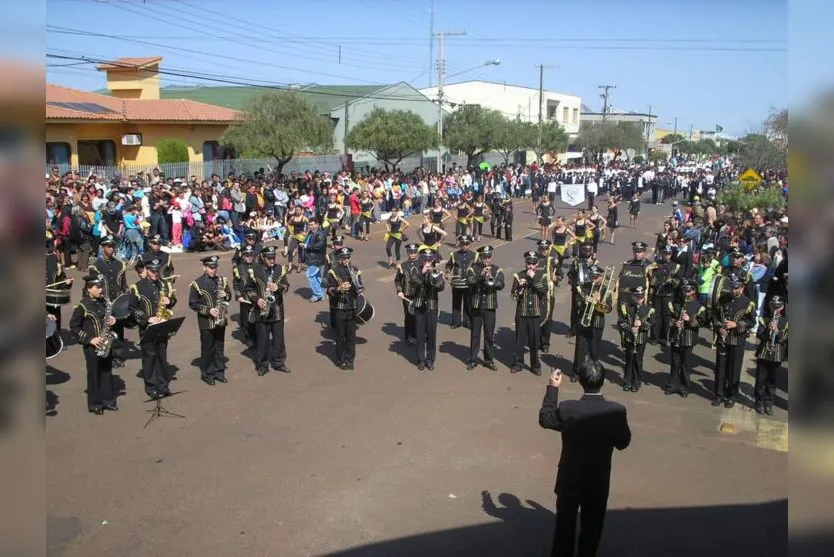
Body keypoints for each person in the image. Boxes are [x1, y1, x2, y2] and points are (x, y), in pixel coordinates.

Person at [539, 362, 631, 557]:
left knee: (564, 528)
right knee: (592, 529)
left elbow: (546, 418)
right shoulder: (616, 411)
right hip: (597, 480)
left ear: (580, 382)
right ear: (603, 382)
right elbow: (623, 442)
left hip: (570, 478)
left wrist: (553, 388)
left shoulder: (568, 408)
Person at [69, 273, 119, 415]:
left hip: (105, 342)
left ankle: (108, 401)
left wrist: (113, 320)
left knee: (106, 371)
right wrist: (90, 339)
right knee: (94, 374)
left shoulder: (104, 302)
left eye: (101, 287)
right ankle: (95, 404)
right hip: (92, 346)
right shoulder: (82, 306)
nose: (101, 290)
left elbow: (110, 316)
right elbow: (74, 327)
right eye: (98, 287)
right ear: (89, 289)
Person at [128, 258, 177, 399]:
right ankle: (151, 387)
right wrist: (147, 319)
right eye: (153, 271)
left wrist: (170, 301)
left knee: (162, 355)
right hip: (148, 327)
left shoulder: (164, 284)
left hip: (162, 325)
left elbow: (173, 300)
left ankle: (162, 385)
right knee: (149, 357)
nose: (156, 273)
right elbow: (132, 308)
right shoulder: (137, 287)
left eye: (158, 270)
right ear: (146, 270)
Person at [711, 273, 756, 408]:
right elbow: (715, 316)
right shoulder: (723, 299)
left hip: (737, 339)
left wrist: (736, 325)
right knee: (720, 367)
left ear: (742, 288)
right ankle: (719, 394)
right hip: (723, 338)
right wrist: (719, 327)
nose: (734, 290)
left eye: (736, 288)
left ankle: (731, 396)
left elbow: (751, 321)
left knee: (734, 368)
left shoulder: (748, 303)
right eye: (732, 287)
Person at [188, 255, 232, 386]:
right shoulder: (197, 284)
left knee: (219, 346)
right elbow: (193, 303)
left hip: (220, 319)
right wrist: (208, 310)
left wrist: (226, 295)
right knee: (208, 348)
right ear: (204, 267)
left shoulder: (222, 280)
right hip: (206, 322)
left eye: (215, 267)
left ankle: (219, 372)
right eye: (211, 268)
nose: (214, 270)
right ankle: (208, 374)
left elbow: (229, 297)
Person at [246, 246, 291, 376]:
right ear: (263, 258)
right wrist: (257, 300)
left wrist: (278, 287)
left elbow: (286, 286)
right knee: (262, 339)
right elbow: (248, 289)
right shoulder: (255, 270)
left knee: (278, 338)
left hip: (277, 310)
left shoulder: (279, 269)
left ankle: (279, 362)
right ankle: (262, 365)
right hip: (262, 310)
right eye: (269, 258)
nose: (272, 260)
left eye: (273, 257)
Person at [89, 235, 128, 367]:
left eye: (113, 246)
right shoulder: (96, 266)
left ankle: (118, 356)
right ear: (103, 247)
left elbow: (123, 284)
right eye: (108, 246)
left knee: (118, 330)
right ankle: (105, 354)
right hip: (102, 302)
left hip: (116, 302)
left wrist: (127, 293)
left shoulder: (119, 264)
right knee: (103, 330)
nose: (111, 249)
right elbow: (90, 286)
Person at [664, 279, 708, 397]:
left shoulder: (698, 306)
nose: (685, 292)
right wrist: (675, 323)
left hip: (688, 337)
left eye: (687, 290)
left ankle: (684, 388)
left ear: (693, 291)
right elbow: (667, 317)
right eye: (683, 290)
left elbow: (702, 323)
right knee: (674, 361)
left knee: (685, 364)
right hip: (675, 336)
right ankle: (671, 385)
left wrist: (690, 320)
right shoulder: (675, 303)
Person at [465, 245, 504, 371]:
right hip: (476, 306)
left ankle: (488, 360)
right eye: (484, 257)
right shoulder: (473, 268)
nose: (487, 259)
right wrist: (481, 276)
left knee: (489, 335)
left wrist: (490, 279)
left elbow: (501, 285)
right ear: (480, 257)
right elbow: (469, 281)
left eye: (489, 257)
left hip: (489, 306)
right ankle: (473, 359)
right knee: (475, 334)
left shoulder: (497, 269)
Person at [572, 265, 614, 382]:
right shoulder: (583, 287)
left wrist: (599, 301)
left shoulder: (606, 290)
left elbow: (608, 309)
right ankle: (577, 373)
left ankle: (593, 374)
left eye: (596, 277)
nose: (593, 279)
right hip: (584, 322)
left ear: (601, 277)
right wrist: (584, 302)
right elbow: (577, 303)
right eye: (592, 276)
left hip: (597, 323)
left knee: (594, 351)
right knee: (580, 350)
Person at [325, 247, 364, 370]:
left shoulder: (355, 270)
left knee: (351, 336)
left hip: (352, 308)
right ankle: (340, 359)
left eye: (348, 257)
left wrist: (359, 288)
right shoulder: (333, 272)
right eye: (343, 258)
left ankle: (350, 360)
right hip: (339, 308)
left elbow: (361, 287)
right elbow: (328, 290)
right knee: (340, 336)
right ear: (339, 259)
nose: (346, 260)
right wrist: (338, 288)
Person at [511, 250, 548, 375]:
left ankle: (535, 365)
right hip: (522, 313)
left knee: (534, 341)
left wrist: (533, 278)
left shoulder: (542, 275)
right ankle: (518, 363)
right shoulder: (519, 275)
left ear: (537, 264)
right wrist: (519, 288)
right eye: (528, 263)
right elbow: (513, 296)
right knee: (519, 341)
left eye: (533, 263)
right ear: (525, 263)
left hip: (535, 314)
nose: (530, 266)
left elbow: (544, 291)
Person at [408, 247, 446, 371]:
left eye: (429, 260)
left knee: (431, 334)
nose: (427, 262)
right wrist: (422, 273)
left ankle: (430, 360)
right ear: (422, 260)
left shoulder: (437, 272)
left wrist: (432, 276)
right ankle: (420, 360)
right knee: (419, 335)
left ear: (433, 260)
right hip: (419, 306)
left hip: (432, 307)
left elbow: (441, 287)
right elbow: (412, 283)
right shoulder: (417, 271)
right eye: (425, 259)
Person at [753, 295, 787, 415]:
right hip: (764, 353)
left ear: (782, 307)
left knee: (772, 381)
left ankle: (769, 403)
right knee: (760, 379)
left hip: (777, 355)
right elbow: (760, 334)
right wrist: (768, 329)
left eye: (778, 306)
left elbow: (785, 339)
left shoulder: (786, 321)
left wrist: (777, 331)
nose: (775, 309)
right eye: (773, 306)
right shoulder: (764, 319)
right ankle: (759, 401)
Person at [617, 286, 654, 392]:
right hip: (629, 338)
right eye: (637, 297)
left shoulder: (649, 309)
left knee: (638, 361)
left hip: (641, 339)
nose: (639, 299)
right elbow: (620, 322)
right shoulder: (626, 307)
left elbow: (652, 323)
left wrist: (642, 324)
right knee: (629, 361)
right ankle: (627, 382)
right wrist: (630, 328)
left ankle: (636, 383)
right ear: (633, 297)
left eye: (641, 297)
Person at [444, 234, 476, 329]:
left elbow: (478, 268)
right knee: (456, 303)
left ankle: (467, 322)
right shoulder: (454, 255)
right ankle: (456, 322)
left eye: (466, 244)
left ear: (469, 244)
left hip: (469, 283)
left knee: (468, 302)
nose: (464, 246)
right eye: (462, 244)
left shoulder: (474, 255)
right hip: (457, 283)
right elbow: (449, 265)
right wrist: (448, 272)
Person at [394, 243, 420, 346]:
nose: (412, 254)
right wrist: (399, 291)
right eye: (410, 252)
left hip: (419, 295)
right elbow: (397, 281)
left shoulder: (421, 264)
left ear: (417, 253)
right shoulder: (402, 266)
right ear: (407, 253)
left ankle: (419, 335)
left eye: (414, 252)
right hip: (407, 295)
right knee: (409, 315)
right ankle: (409, 336)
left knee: (420, 316)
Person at [232, 245, 257, 347]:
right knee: (245, 320)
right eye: (247, 255)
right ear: (243, 256)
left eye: (251, 255)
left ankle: (257, 337)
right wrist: (239, 296)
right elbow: (236, 284)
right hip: (245, 297)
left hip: (257, 297)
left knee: (257, 319)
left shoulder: (258, 267)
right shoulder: (238, 268)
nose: (249, 257)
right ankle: (248, 337)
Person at [304, 218, 328, 303]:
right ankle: (320, 293)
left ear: (317, 224)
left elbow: (319, 246)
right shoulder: (311, 232)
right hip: (312, 257)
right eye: (309, 225)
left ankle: (317, 294)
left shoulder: (321, 233)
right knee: (317, 276)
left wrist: (306, 246)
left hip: (316, 258)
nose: (310, 226)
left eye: (312, 225)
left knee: (310, 275)